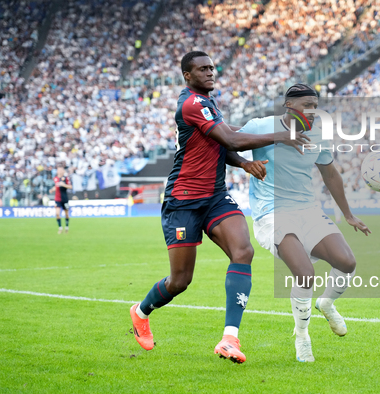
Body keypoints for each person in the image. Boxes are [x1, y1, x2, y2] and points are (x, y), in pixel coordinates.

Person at [129, 51, 309, 364]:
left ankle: (229, 338)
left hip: (214, 196)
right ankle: (141, 311)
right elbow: (230, 139)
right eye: (203, 69)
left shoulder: (208, 104)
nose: (211, 72)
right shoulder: (191, 103)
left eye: (213, 67)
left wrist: (243, 164)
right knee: (180, 281)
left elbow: (220, 146)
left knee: (244, 251)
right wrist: (281, 135)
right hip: (183, 201)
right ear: (187, 75)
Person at [240, 83, 371, 362]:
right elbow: (227, 145)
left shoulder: (319, 136)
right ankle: (302, 336)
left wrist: (348, 214)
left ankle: (326, 302)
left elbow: (331, 174)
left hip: (307, 209)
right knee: (305, 272)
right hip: (271, 211)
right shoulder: (260, 125)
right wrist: (245, 164)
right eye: (307, 105)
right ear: (289, 105)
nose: (312, 111)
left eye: (315, 105)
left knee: (347, 262)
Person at [49, 165, 72, 234]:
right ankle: (60, 227)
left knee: (67, 214)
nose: (59, 171)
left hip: (65, 199)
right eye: (58, 170)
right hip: (57, 199)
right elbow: (56, 186)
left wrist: (63, 185)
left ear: (63, 171)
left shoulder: (65, 178)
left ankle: (67, 227)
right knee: (57, 214)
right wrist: (52, 189)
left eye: (60, 170)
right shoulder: (55, 178)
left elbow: (70, 186)